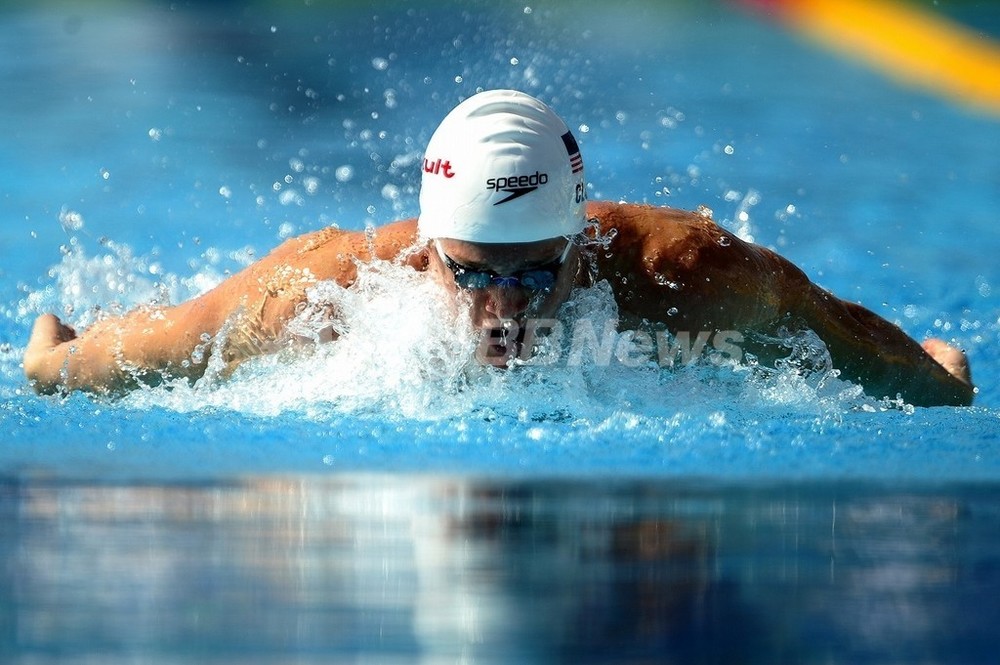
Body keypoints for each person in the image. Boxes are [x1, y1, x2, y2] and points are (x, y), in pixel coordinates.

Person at [23, 89, 974, 406]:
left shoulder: (689, 276)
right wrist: (54, 358)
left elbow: (875, 353)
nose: (502, 310)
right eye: (471, 273)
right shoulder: (324, 292)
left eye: (532, 271)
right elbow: (126, 351)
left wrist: (936, 374)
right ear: (427, 248)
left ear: (577, 238)